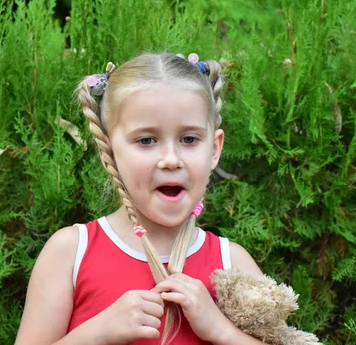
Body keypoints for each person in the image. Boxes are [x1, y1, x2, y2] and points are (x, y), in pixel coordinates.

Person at [15, 52, 265, 345]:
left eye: (189, 139)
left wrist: (220, 329)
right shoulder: (71, 252)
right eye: (146, 140)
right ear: (109, 149)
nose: (171, 159)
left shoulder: (232, 263)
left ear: (214, 149)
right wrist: (99, 332)